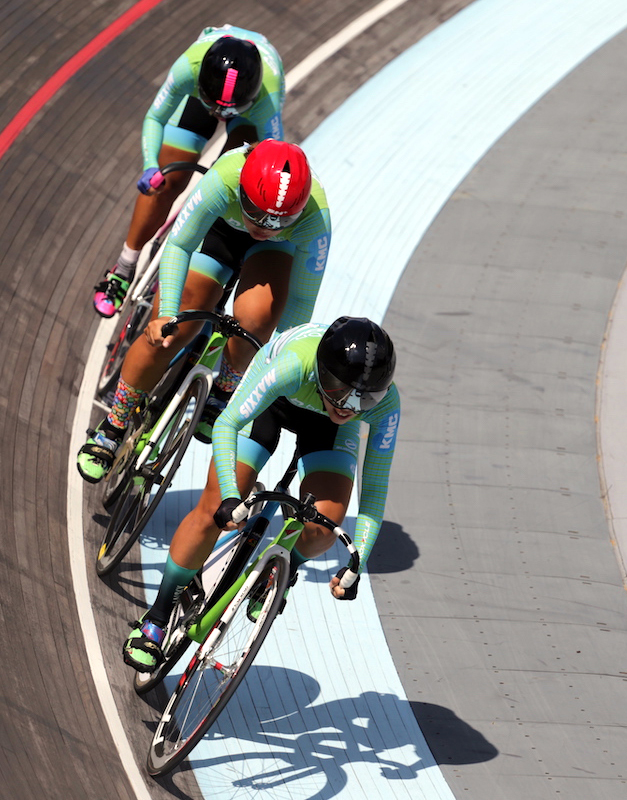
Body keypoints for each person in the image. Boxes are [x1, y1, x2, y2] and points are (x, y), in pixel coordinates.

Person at [122, 317, 401, 672]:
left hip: (327, 431)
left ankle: (285, 569)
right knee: (213, 511)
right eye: (339, 389)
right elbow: (227, 424)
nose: (348, 405)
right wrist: (228, 496)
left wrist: (357, 562)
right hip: (277, 400)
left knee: (322, 530)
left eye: (365, 398)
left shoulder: (382, 406)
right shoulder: (294, 366)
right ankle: (157, 618)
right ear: (321, 370)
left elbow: (374, 490)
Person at [77, 138, 331, 482]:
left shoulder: (316, 219)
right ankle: (114, 423)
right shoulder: (226, 175)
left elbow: (299, 306)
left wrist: (277, 360)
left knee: (257, 320)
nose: (264, 227)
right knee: (170, 331)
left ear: (298, 213)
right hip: (222, 231)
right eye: (256, 214)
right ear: (241, 188)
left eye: (278, 221)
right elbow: (180, 243)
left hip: (274, 252)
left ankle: (224, 389)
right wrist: (167, 313)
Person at [92, 25, 286, 318]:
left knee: (240, 179)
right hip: (212, 92)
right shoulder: (189, 67)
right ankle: (124, 267)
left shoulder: (265, 102)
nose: (220, 115)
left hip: (249, 108)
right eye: (213, 106)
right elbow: (155, 118)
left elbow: (267, 162)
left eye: (227, 111)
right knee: (166, 181)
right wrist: (150, 165)